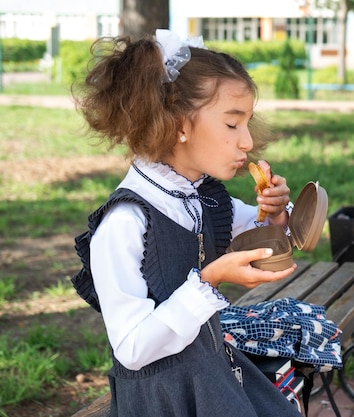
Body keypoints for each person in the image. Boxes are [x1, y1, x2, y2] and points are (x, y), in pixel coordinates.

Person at [71, 29, 304, 416]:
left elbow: (268, 239)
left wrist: (276, 212)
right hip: (165, 400)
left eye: (247, 123)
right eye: (232, 125)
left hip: (213, 375)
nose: (247, 142)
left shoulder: (202, 196)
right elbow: (131, 349)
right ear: (179, 123)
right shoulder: (126, 222)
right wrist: (210, 280)